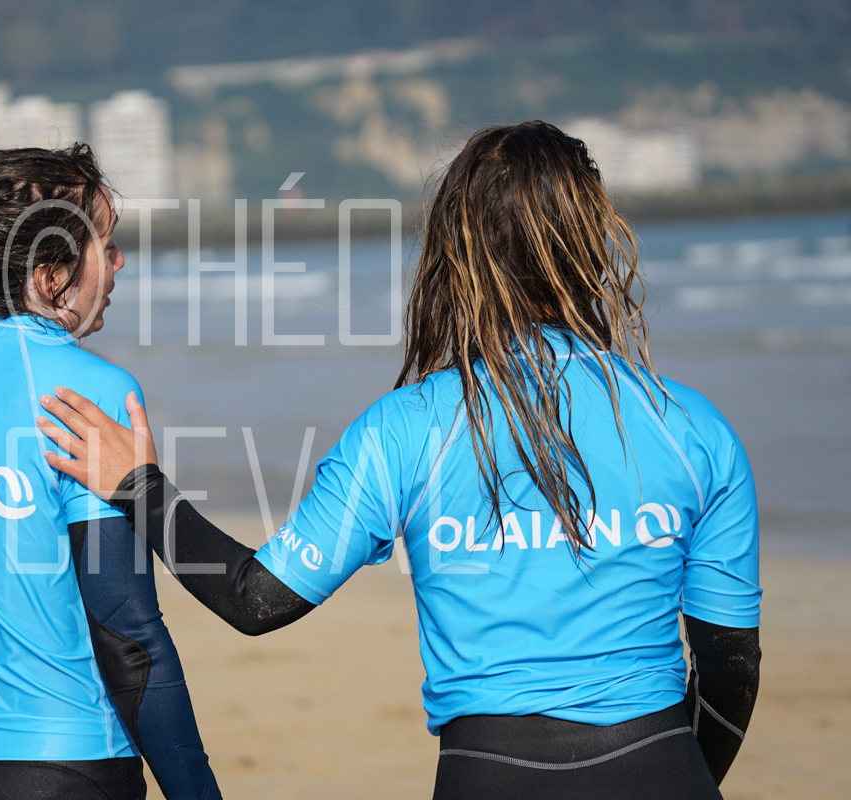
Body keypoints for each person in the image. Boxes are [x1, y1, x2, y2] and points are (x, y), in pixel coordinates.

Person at [37, 122, 762, 799]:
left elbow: (255, 600)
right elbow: (731, 671)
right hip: (664, 767)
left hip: (490, 776)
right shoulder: (693, 430)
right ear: (590, 245)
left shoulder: (404, 432)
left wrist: (140, 489)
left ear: (455, 254)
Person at [0, 146, 220, 800]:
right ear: (49, 276)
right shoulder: (88, 392)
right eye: (108, 244)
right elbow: (128, 635)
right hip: (64, 764)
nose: (119, 262)